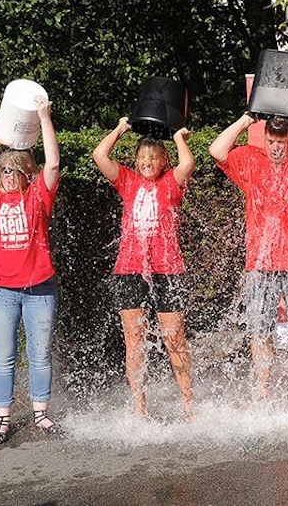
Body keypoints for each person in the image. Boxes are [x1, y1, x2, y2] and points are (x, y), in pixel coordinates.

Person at [208, 51, 288, 408]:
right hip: (261, 262)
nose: (276, 148)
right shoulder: (250, 159)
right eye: (271, 142)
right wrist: (248, 118)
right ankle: (261, 392)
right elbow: (217, 149)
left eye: (282, 142)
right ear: (264, 140)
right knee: (258, 330)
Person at [0, 97, 63, 442]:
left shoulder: (38, 197)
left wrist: (43, 118)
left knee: (39, 355)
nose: (10, 176)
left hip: (39, 288)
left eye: (18, 171)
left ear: (28, 175)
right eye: (5, 170)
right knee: (4, 356)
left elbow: (52, 164)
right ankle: (2, 418)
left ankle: (41, 413)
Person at [92, 119, 195, 420]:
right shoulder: (127, 181)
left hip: (167, 269)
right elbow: (100, 155)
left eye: (153, 158)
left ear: (164, 160)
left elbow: (187, 162)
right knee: (134, 340)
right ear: (136, 162)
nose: (147, 163)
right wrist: (120, 129)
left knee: (174, 338)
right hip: (130, 268)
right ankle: (139, 406)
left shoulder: (171, 183)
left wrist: (177, 137)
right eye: (142, 159)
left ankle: (189, 403)